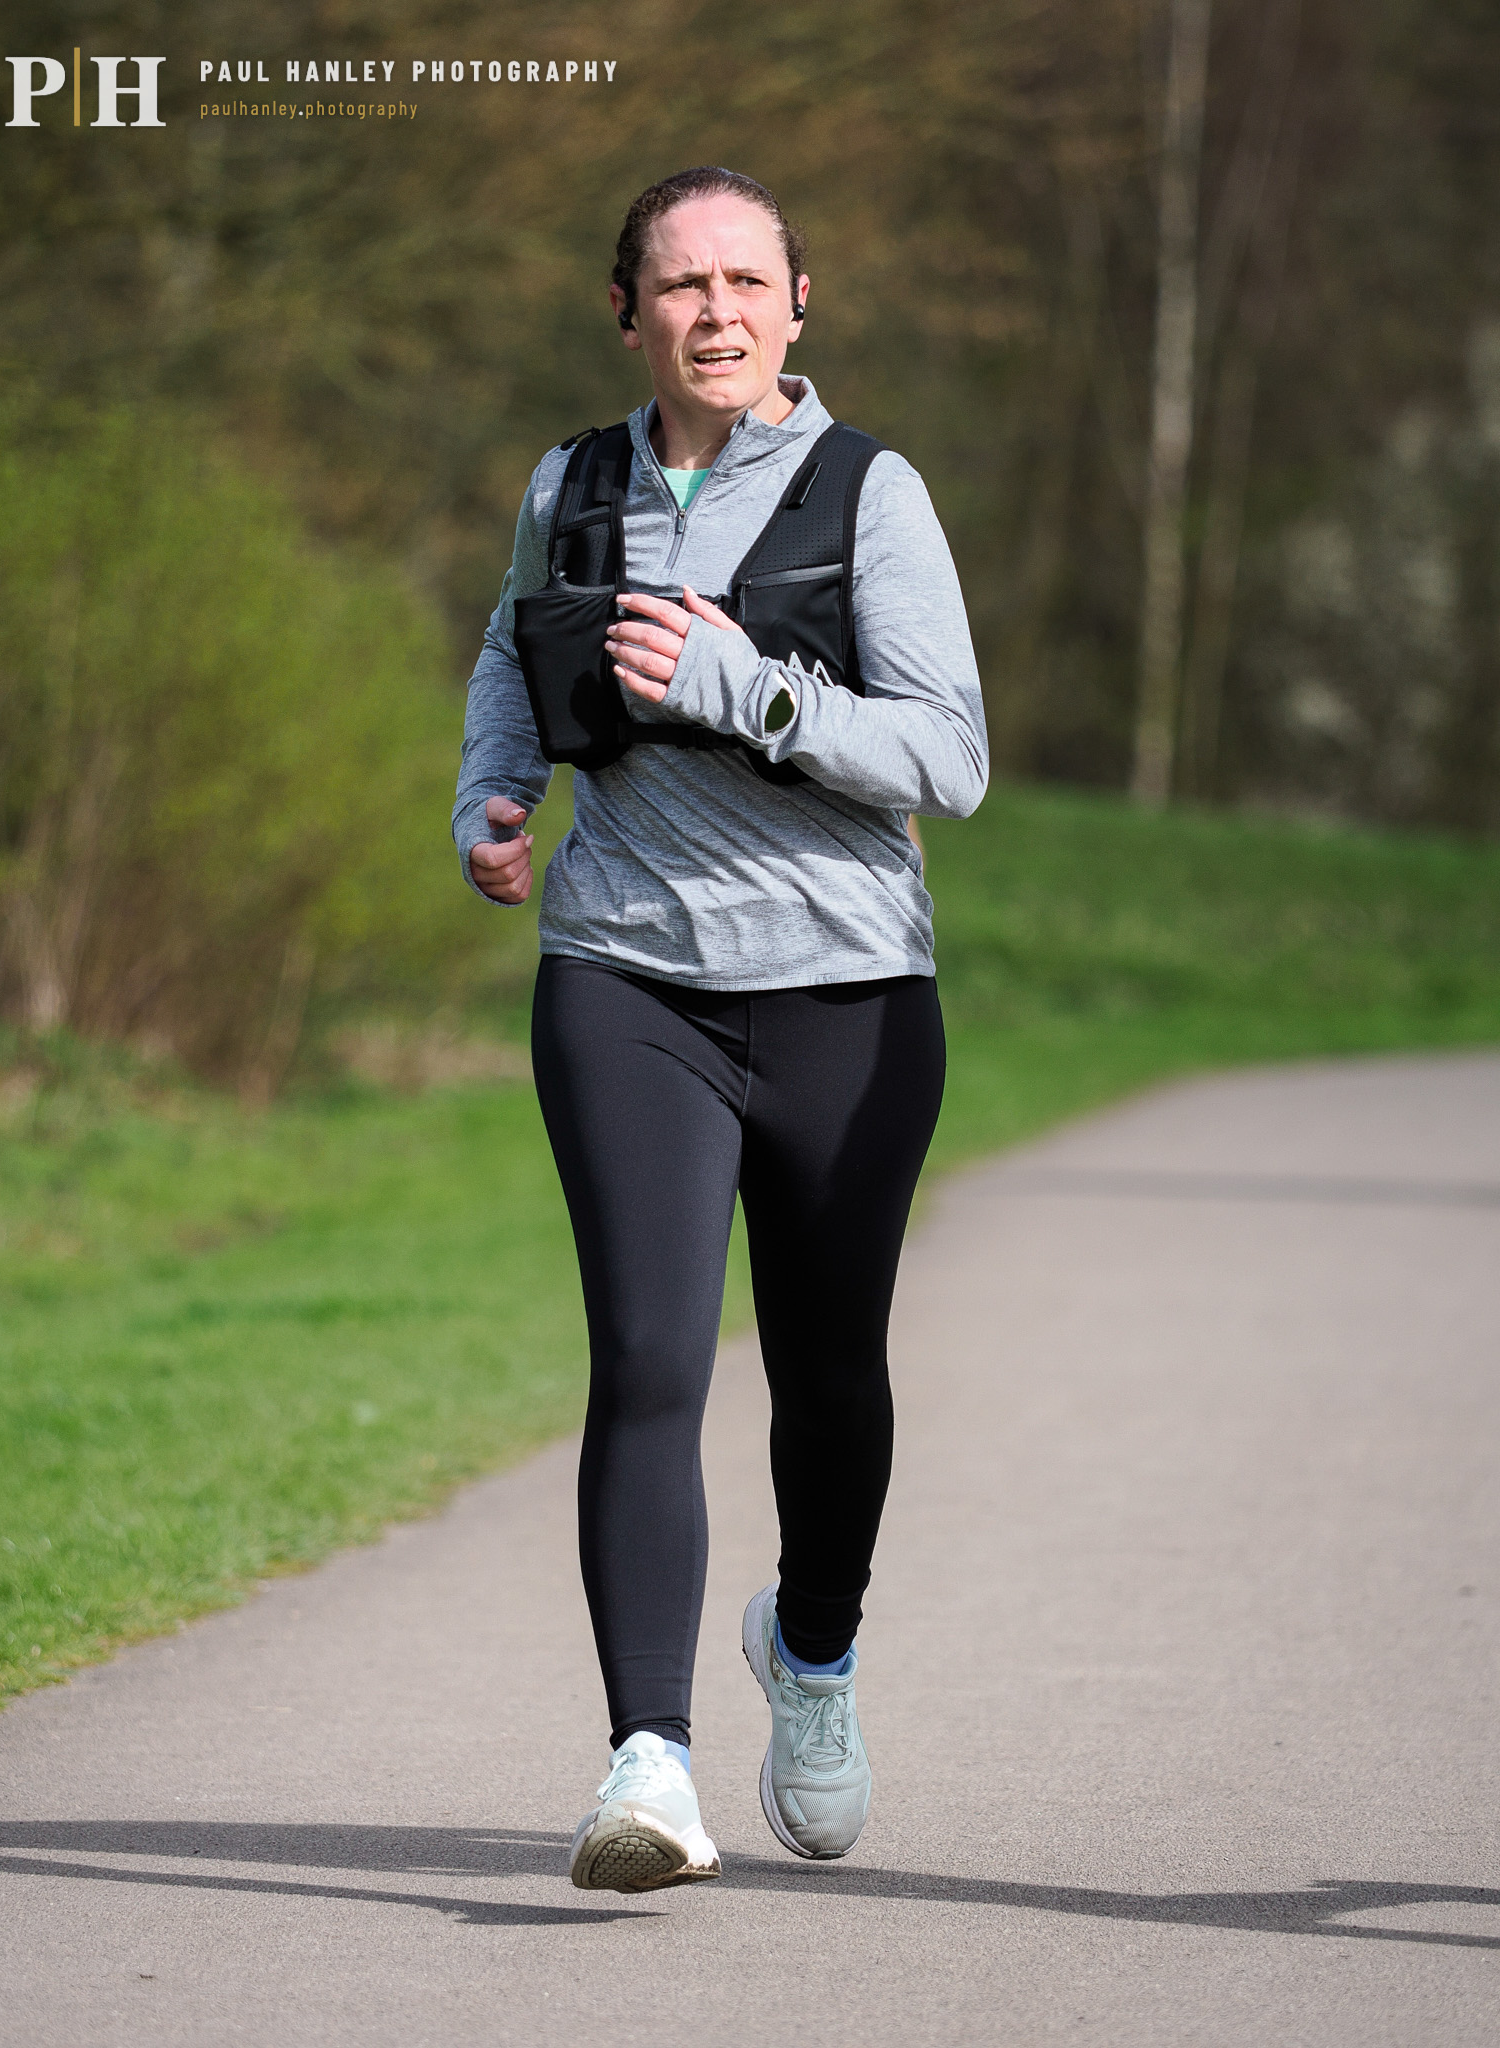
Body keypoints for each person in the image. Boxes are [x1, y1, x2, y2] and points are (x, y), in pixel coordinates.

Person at [452, 165, 987, 1893]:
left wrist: (748, 689)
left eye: (748, 281)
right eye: (682, 285)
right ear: (630, 313)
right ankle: (650, 1766)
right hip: (629, 978)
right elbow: (506, 643)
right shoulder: (574, 481)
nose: (717, 312)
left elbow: (950, 761)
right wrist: (497, 785)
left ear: (799, 304)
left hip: (844, 993)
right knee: (652, 1365)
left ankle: (810, 1656)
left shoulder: (870, 494)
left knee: (829, 1387)